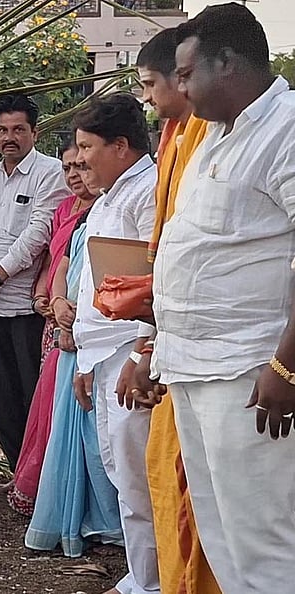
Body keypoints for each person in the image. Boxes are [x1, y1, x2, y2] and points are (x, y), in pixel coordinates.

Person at [150, 4, 295, 593]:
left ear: (227, 63)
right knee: (219, 533)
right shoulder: (211, 133)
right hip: (192, 366)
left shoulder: (286, 128)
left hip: (250, 371)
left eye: (186, 75)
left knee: (263, 538)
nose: (179, 88)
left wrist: (287, 365)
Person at [121, 28, 219, 594]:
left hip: (216, 350)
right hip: (171, 338)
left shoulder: (215, 136)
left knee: (204, 498)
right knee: (163, 475)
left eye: (153, 84)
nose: (151, 97)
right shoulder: (175, 137)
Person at [70, 93, 160, 594]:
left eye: (87, 147)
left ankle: (155, 581)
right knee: (121, 473)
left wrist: (139, 353)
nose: (79, 159)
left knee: (142, 478)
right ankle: (142, 575)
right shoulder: (108, 198)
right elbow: (94, 286)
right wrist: (86, 359)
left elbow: (156, 285)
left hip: (130, 355)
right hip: (102, 355)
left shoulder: (146, 193)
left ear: (121, 146)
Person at [0, 94, 69, 468]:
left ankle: (38, 478)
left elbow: (38, 234)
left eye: (19, 129)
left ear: (34, 132)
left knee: (31, 395)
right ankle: (16, 471)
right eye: (2, 130)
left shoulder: (50, 173)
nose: (9, 137)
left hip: (26, 309)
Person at [25, 202, 124, 558]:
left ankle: (111, 522)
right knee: (74, 433)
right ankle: (80, 519)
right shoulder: (87, 218)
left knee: (103, 440)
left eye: (83, 158)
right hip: (74, 334)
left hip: (109, 340)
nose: (78, 169)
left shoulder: (126, 208)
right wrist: (58, 302)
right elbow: (63, 266)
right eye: (71, 166)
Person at [7, 143, 97, 515]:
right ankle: (43, 488)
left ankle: (75, 499)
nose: (74, 175)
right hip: (55, 317)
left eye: (81, 166)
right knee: (50, 406)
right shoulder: (64, 209)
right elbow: (54, 258)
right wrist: (46, 295)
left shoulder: (103, 210)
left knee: (78, 412)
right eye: (67, 168)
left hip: (84, 321)